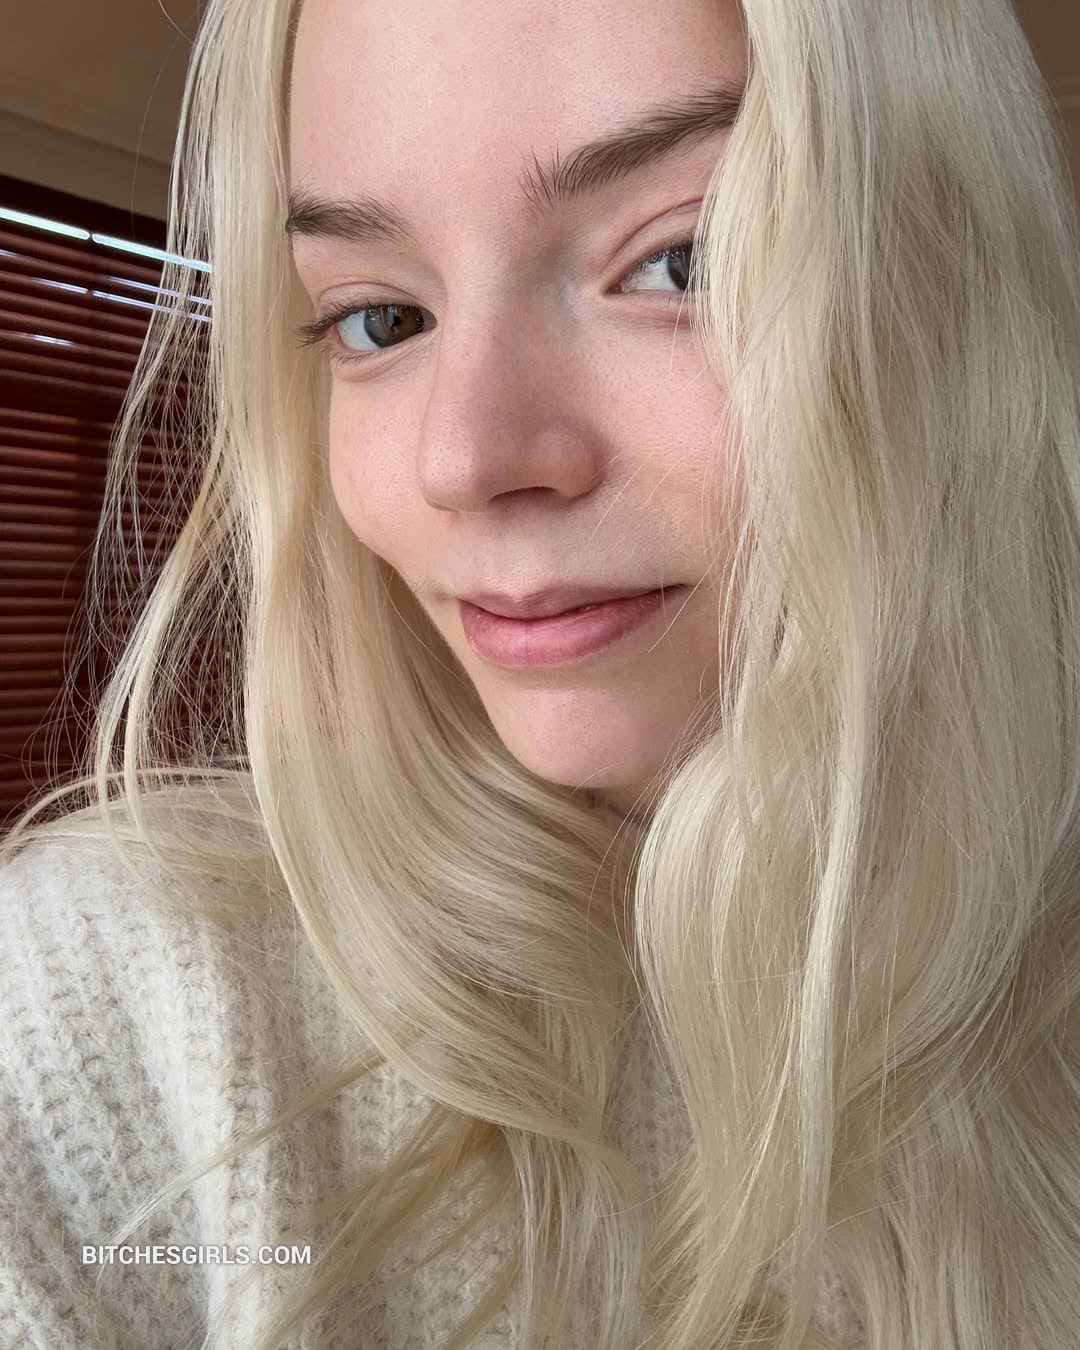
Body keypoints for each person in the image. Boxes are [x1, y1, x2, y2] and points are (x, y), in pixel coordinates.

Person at [3, 0, 1080, 1345]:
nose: (464, 459)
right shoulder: (118, 995)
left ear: (960, 303)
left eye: (684, 261)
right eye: (380, 317)